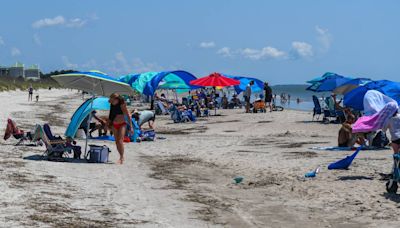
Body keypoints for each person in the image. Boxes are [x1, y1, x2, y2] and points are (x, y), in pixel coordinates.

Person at [108, 93, 133, 164]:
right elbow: (111, 115)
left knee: (120, 141)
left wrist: (131, 127)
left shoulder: (122, 105)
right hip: (114, 124)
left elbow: (128, 116)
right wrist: (108, 124)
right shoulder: (112, 105)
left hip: (122, 124)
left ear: (116, 99)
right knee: (116, 142)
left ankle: (122, 157)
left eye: (112, 99)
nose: (111, 100)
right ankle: (120, 156)